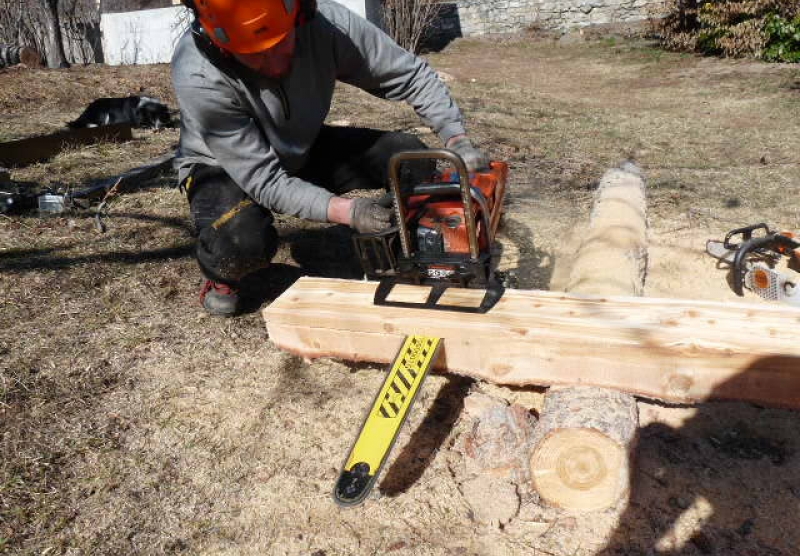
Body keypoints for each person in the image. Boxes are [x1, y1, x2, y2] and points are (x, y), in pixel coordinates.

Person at [172, 0, 489, 316]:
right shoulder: (197, 70)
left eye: (281, 43)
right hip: (222, 166)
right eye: (253, 54)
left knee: (409, 157)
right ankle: (220, 276)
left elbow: (410, 74)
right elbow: (264, 179)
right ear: (219, 47)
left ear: (299, 16)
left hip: (299, 146)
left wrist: (456, 138)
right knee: (242, 242)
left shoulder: (327, 25)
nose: (273, 62)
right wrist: (348, 212)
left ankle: (405, 243)